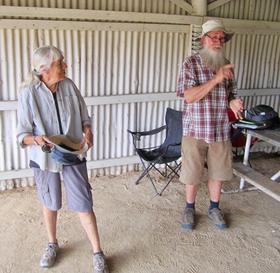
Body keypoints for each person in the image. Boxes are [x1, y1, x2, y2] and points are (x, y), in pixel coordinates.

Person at [17, 45, 109, 273]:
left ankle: (98, 252)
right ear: (44, 70)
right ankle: (52, 244)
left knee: (84, 203)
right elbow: (22, 135)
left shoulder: (69, 86)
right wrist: (38, 140)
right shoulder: (28, 93)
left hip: (73, 153)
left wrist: (88, 130)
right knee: (50, 203)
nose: (66, 66)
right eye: (61, 63)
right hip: (45, 157)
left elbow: (85, 116)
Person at [176, 19, 244, 230]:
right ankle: (189, 208)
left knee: (219, 173)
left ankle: (214, 207)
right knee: (193, 173)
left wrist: (233, 102)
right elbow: (188, 97)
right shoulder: (190, 63)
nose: (218, 41)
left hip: (221, 129)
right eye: (214, 37)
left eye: (221, 38)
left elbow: (230, 93)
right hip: (195, 129)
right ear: (203, 39)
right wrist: (216, 79)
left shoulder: (226, 64)